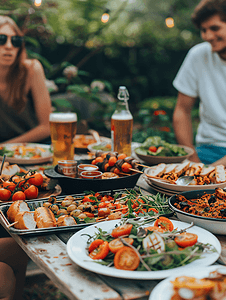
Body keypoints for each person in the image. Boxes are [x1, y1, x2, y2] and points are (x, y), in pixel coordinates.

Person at [172, 0, 226, 165]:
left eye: (215, 28)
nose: (208, 36)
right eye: (204, 30)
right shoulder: (198, 56)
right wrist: (193, 161)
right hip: (209, 149)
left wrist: (214, 170)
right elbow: (182, 111)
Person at [0, 15, 52, 144]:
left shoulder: (32, 69)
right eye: (1, 39)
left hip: (34, 151)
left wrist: (3, 148)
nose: (9, 46)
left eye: (15, 41)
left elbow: (47, 127)